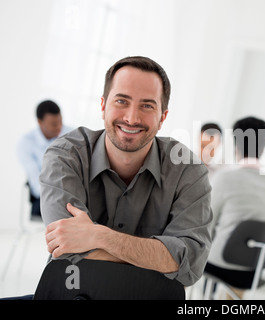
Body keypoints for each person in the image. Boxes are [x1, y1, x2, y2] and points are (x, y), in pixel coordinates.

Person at [39, 56, 212, 290]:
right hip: (72, 293)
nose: (132, 118)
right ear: (103, 105)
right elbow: (65, 247)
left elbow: (189, 263)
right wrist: (158, 256)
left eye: (147, 105)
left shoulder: (188, 172)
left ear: (162, 117)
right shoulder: (65, 156)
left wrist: (100, 236)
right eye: (122, 101)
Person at [204, 116, 265, 298]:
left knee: (181, 260)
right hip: (251, 273)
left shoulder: (224, 178)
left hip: (217, 265)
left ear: (236, 147)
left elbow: (206, 224)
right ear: (263, 149)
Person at [17, 100, 72, 219]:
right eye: (53, 124)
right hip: (44, 196)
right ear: (39, 122)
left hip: (71, 192)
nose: (59, 127)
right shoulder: (26, 143)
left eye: (60, 122)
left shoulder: (72, 134)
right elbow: (35, 182)